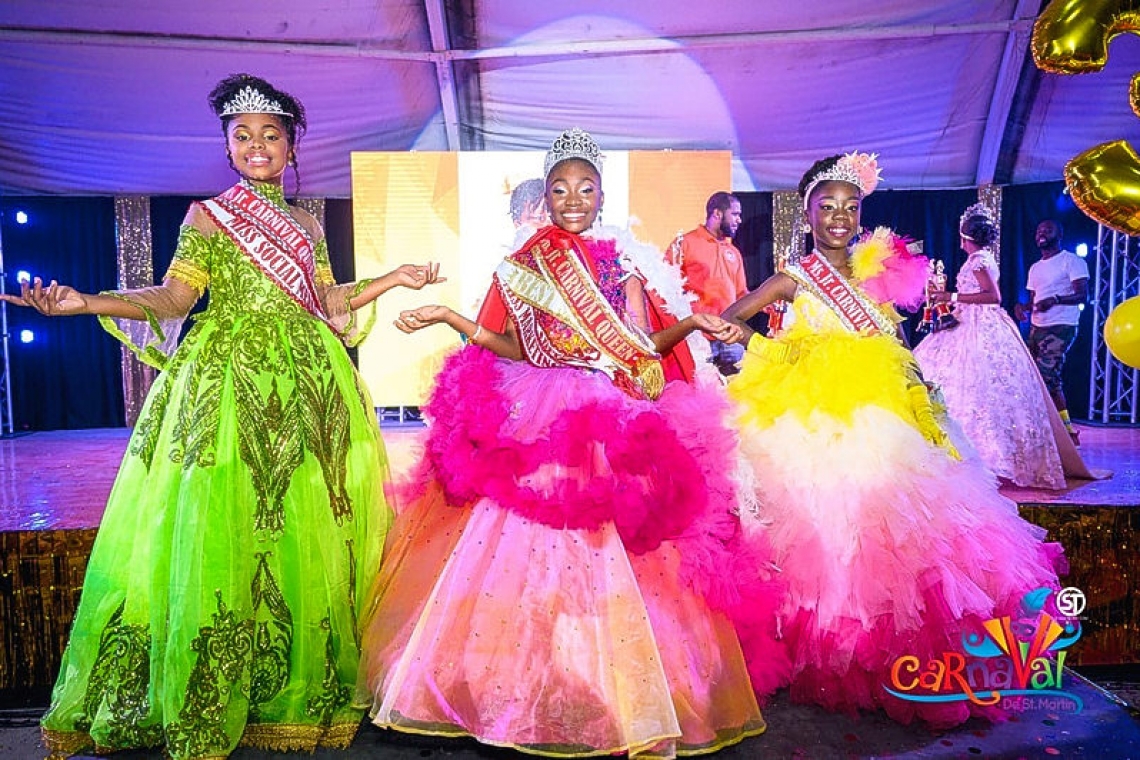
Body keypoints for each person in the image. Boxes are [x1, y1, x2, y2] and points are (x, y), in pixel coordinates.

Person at [3, 73, 442, 759]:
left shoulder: (304, 224)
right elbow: (176, 298)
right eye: (243, 136)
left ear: (291, 147)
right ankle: (218, 677)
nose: (256, 145)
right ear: (228, 147)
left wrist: (394, 278)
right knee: (220, 524)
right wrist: (85, 303)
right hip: (227, 381)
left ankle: (293, 682)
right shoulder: (207, 215)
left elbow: (327, 303)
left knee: (305, 528)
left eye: (270, 135)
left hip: (308, 382)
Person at [355, 128, 785, 758]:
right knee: (519, 551)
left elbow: (642, 352)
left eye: (585, 187)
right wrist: (449, 317)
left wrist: (691, 321)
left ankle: (618, 686)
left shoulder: (622, 266)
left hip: (608, 417)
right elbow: (513, 348)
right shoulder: (521, 267)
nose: (573, 198)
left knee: (622, 551)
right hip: (537, 415)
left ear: (602, 196)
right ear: (546, 196)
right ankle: (524, 684)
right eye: (561, 188)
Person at [721, 153, 1066, 728]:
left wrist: (921, 394)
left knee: (893, 525)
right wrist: (779, 351)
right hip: (811, 412)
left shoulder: (879, 269)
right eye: (826, 206)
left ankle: (892, 657)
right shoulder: (795, 276)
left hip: (882, 407)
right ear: (805, 214)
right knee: (819, 526)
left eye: (850, 207)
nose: (838, 216)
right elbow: (735, 318)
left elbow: (896, 339)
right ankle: (826, 646)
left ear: (861, 214)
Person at [913, 205, 1097, 489]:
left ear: (966, 237)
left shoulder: (979, 260)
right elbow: (973, 295)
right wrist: (949, 301)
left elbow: (992, 296)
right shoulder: (979, 258)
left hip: (980, 326)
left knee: (978, 384)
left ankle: (983, 456)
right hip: (968, 320)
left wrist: (951, 294)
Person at [1017, 219, 1089, 445]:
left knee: (1044, 377)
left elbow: (1082, 295)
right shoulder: (1035, 267)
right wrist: (1022, 308)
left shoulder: (1072, 261)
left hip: (1061, 325)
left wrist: (1056, 299)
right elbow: (1033, 300)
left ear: (1060, 234)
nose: (1041, 234)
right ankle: (1067, 432)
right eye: (1039, 230)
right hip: (1038, 326)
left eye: (1047, 230)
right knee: (1048, 379)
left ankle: (1039, 432)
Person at [668, 192, 749, 375]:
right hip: (698, 338)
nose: (740, 220)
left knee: (737, 394)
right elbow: (666, 287)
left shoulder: (733, 252)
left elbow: (741, 294)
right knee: (699, 392)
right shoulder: (685, 243)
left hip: (730, 336)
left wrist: (767, 303)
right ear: (718, 214)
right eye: (735, 214)